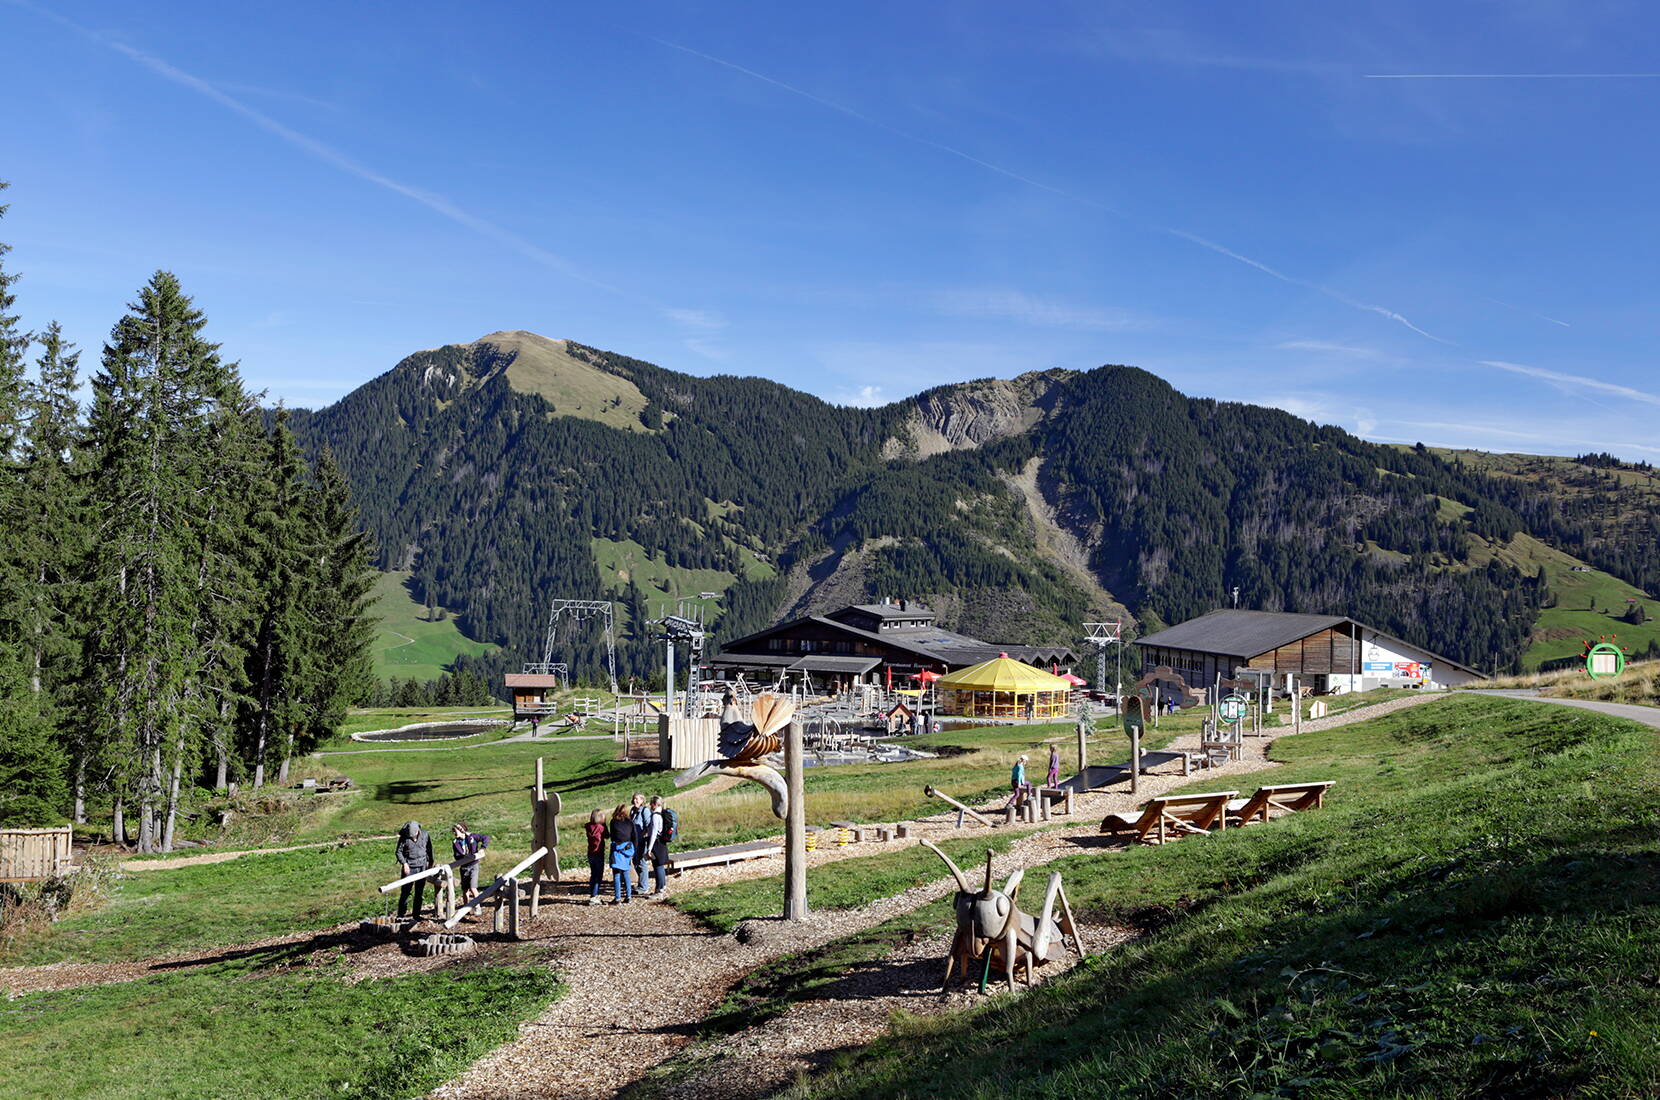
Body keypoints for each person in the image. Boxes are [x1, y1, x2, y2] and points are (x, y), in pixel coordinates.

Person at [395, 820, 434, 920]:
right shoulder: (404, 837)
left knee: (419, 892)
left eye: (414, 835)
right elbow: (398, 852)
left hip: (422, 867)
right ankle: (401, 915)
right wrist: (404, 864)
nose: (412, 837)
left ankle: (416, 915)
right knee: (405, 892)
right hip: (409, 867)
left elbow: (429, 850)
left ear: (418, 831)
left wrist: (430, 863)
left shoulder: (425, 835)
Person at [451, 822, 489, 904]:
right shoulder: (455, 842)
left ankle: (478, 906)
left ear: (461, 830)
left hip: (473, 865)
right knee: (465, 890)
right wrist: (463, 857)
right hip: (464, 867)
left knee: (473, 888)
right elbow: (456, 855)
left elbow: (485, 837)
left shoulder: (471, 837)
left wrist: (482, 848)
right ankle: (466, 908)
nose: (454, 833)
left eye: (455, 831)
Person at [609, 804, 637, 904]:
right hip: (627, 849)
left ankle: (617, 899)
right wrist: (633, 851)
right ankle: (628, 897)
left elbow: (612, 836)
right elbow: (634, 836)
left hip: (617, 849)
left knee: (616, 874)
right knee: (626, 873)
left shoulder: (613, 822)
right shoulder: (630, 822)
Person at [643, 795, 670, 897]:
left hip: (656, 843)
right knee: (660, 866)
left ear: (654, 805)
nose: (650, 805)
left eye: (651, 803)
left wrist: (649, 848)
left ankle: (659, 890)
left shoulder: (655, 816)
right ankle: (662, 887)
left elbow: (654, 833)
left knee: (657, 866)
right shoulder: (662, 814)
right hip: (661, 842)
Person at [629, 792, 652, 889]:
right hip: (633, 841)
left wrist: (642, 835)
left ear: (642, 800)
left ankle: (644, 886)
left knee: (641, 863)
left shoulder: (645, 811)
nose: (635, 801)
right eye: (634, 799)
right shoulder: (632, 811)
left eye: (637, 799)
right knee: (635, 861)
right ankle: (641, 883)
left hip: (641, 841)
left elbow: (649, 825)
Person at [585, 809, 608, 905]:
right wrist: (605, 825)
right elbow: (607, 836)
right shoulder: (601, 828)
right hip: (599, 852)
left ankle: (592, 894)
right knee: (598, 875)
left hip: (591, 853)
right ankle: (594, 896)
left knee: (593, 874)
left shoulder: (588, 826)